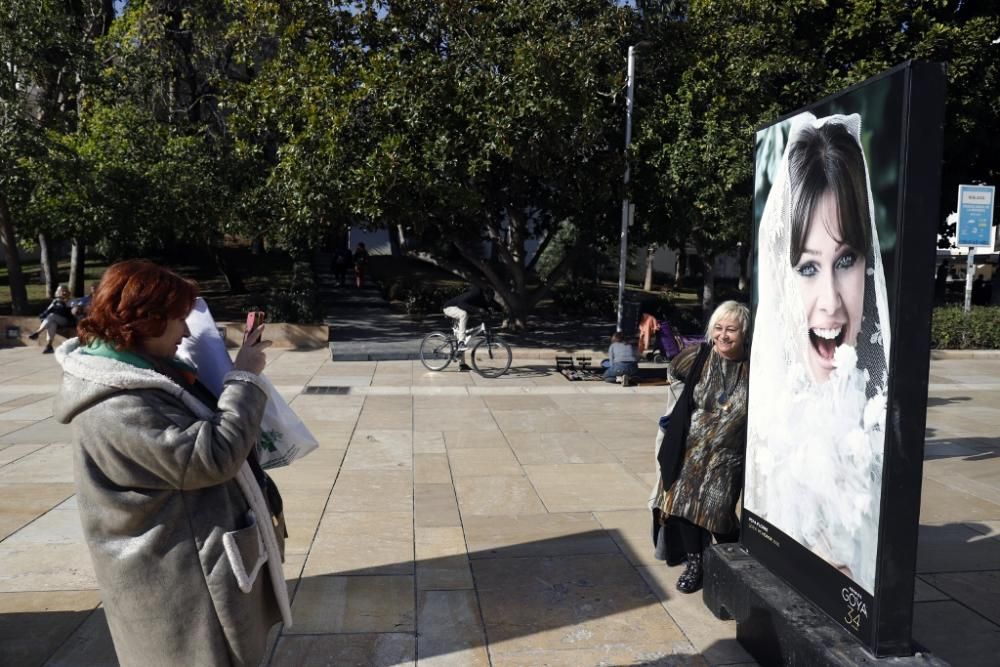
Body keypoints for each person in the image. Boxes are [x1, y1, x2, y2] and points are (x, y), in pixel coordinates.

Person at [52, 260, 291, 666]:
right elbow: (212, 456)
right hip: (176, 580)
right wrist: (244, 379)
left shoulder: (148, 374)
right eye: (179, 320)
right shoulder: (118, 403)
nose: (184, 332)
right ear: (147, 320)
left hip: (188, 563)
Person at [745, 113, 891, 593]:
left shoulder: (885, 435)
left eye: (845, 260)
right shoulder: (768, 423)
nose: (830, 301)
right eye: (807, 267)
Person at [651, 300, 750, 593]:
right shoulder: (699, 356)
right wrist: (677, 406)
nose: (723, 335)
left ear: (744, 332)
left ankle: (740, 556)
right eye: (718, 328)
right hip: (689, 450)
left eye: (731, 329)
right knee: (682, 507)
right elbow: (674, 370)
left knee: (719, 512)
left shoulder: (755, 366)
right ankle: (696, 563)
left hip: (727, 455)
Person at [442, 284, 493, 371]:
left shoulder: (482, 299)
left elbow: (488, 307)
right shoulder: (475, 293)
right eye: (489, 297)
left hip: (457, 308)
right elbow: (461, 304)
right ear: (485, 294)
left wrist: (490, 312)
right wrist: (478, 310)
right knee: (463, 314)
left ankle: (462, 364)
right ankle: (461, 343)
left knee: (464, 334)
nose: (489, 299)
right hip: (449, 307)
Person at [27, 284, 76, 354]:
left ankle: (38, 332)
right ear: (58, 292)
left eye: (65, 291)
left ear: (68, 292)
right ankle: (49, 346)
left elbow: (73, 311)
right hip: (55, 320)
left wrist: (65, 303)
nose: (63, 293)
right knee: (52, 323)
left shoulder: (72, 300)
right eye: (61, 291)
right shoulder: (56, 301)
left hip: (66, 320)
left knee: (52, 316)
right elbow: (47, 310)